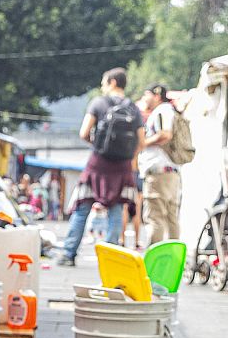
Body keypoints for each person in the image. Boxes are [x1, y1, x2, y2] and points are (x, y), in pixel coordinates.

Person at [53, 68, 142, 265]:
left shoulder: (99, 103)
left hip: (98, 164)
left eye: (103, 83)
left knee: (82, 207)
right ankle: (110, 259)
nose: (102, 87)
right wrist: (129, 159)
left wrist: (99, 146)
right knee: (116, 210)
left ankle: (69, 254)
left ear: (111, 82)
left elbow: (84, 133)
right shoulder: (133, 109)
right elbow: (141, 141)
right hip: (122, 167)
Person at [138, 84, 183, 247]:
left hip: (159, 173)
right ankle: (173, 262)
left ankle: (153, 264)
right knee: (171, 218)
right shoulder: (169, 110)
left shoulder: (162, 111)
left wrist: (142, 143)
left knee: (155, 217)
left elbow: (165, 134)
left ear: (156, 95)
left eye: (146, 94)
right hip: (170, 172)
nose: (144, 99)